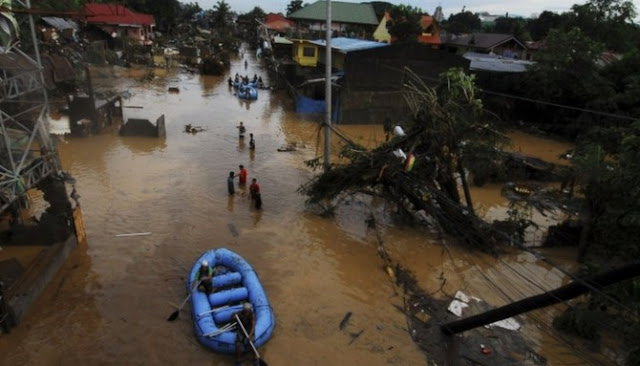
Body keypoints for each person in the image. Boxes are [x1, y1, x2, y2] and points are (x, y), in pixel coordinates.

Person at [234, 302, 256, 366]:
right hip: (241, 330)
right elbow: (232, 316)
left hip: (249, 330)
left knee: (251, 343)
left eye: (248, 311)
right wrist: (234, 316)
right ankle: (239, 360)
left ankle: (255, 358)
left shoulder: (252, 315)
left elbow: (253, 326)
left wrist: (250, 335)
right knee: (238, 345)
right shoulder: (240, 314)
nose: (247, 312)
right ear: (244, 310)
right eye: (246, 311)